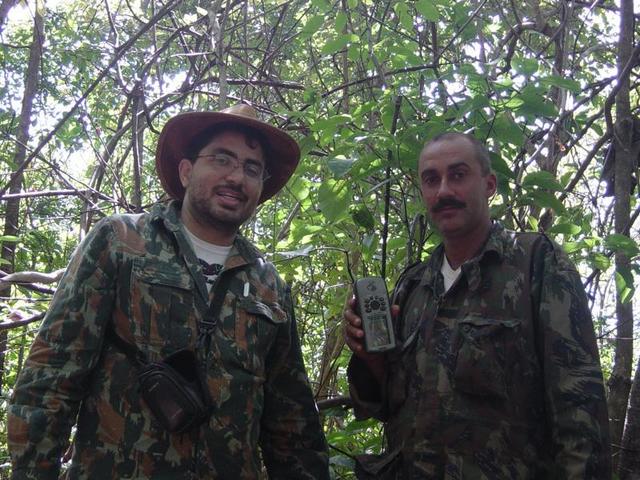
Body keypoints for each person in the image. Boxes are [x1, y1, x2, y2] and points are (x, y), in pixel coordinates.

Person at [8, 104, 330, 479]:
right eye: (222, 159)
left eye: (251, 168)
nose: (236, 177)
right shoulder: (121, 242)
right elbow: (51, 376)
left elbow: (291, 424)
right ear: (186, 170)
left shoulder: (268, 285)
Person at [344, 132, 611, 479]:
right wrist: (371, 360)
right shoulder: (413, 286)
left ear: (489, 185)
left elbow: (580, 414)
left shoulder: (537, 265)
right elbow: (385, 408)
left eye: (457, 175)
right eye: (431, 179)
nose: (443, 192)